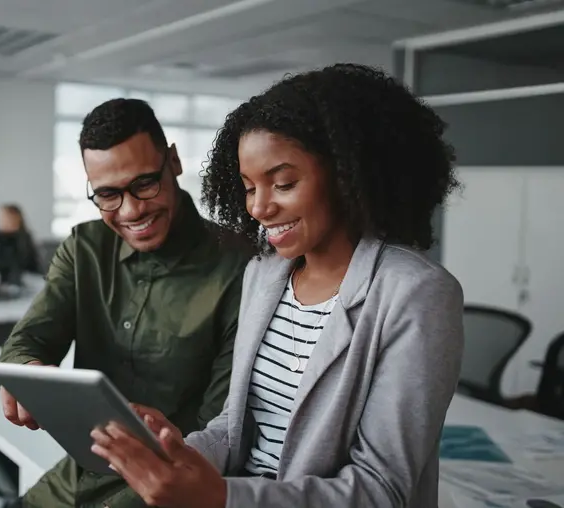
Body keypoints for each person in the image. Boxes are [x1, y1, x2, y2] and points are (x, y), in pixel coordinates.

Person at [90, 64, 464, 508]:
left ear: (347, 173)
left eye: (283, 183)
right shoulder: (263, 274)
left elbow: (383, 489)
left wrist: (223, 496)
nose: (260, 208)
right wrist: (178, 452)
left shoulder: (416, 293)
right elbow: (236, 426)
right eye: (249, 188)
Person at [0, 98, 249, 508]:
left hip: (159, 491)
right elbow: (25, 343)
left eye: (145, 184)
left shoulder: (238, 268)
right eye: (108, 195)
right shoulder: (84, 249)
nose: (131, 210)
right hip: (75, 479)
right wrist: (27, 373)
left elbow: (220, 432)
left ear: (174, 161)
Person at [0, 203, 41, 274]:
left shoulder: (24, 239)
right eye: (1, 219)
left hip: (27, 277)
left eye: (6, 219)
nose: (3, 223)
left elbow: (20, 264)